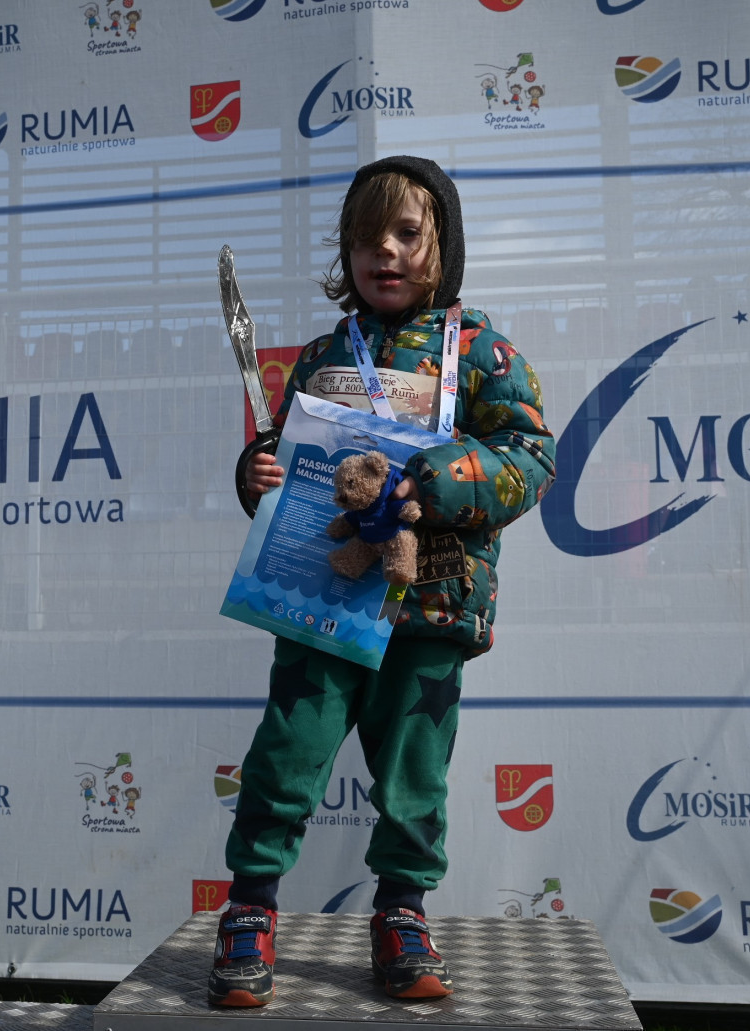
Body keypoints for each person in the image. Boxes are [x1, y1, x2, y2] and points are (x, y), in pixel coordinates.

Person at [209, 155, 556, 1007]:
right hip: (322, 600)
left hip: (430, 604)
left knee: (413, 771)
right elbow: (288, 466)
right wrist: (254, 476)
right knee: (286, 753)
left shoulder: (482, 351)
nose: (385, 252)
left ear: (445, 244)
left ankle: (402, 911)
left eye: (406, 233)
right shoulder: (324, 355)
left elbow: (531, 457)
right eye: (367, 238)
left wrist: (445, 478)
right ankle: (249, 907)